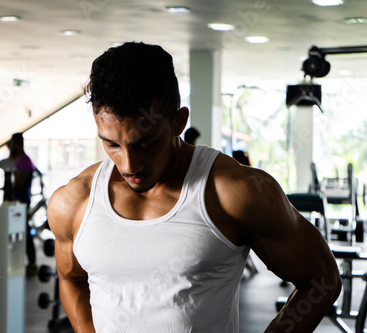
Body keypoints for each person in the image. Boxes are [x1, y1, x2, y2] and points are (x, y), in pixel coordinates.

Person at [47, 42, 341, 332]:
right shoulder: (74, 202)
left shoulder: (234, 192)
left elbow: (322, 279)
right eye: (111, 144)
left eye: (146, 144)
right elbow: (70, 279)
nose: (128, 165)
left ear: (178, 122)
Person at [9, 132, 43, 275]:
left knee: (25, 232)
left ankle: (32, 264)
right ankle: (23, 262)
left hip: (22, 201)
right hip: (19, 200)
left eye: (12, 144)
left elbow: (17, 182)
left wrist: (9, 180)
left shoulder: (24, 161)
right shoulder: (22, 160)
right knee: (20, 231)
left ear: (16, 143)